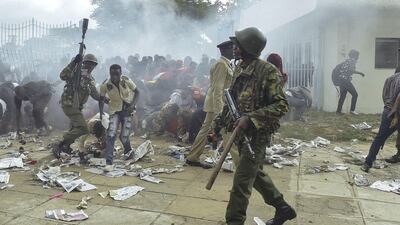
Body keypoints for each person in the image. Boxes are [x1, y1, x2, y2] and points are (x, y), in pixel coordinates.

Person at [213, 27, 296, 225]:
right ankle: (283, 209)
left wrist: (251, 118)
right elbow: (231, 103)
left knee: (241, 182)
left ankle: (234, 221)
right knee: (254, 174)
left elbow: (281, 105)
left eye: (238, 45)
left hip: (257, 136)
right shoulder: (240, 69)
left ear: (247, 48)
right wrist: (216, 126)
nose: (234, 48)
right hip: (241, 135)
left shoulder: (268, 72)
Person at [186, 40, 234, 168]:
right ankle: (240, 162)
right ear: (224, 50)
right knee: (227, 132)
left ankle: (193, 157)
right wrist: (220, 109)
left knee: (207, 130)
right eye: (232, 48)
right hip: (217, 104)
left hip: (218, 103)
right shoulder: (221, 65)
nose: (234, 50)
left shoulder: (225, 64)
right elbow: (218, 88)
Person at [52, 53, 100, 159]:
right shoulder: (75, 72)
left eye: (92, 64)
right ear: (83, 63)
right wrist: (74, 62)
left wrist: (104, 98)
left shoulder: (90, 79)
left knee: (74, 128)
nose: (90, 66)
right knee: (83, 128)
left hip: (78, 107)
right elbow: (62, 76)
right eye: (88, 63)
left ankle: (65, 146)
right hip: (69, 104)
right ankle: (59, 142)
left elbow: (94, 94)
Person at [99, 64, 139, 172]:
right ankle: (109, 163)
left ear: (120, 73)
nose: (115, 76)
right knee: (111, 135)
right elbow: (101, 98)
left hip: (127, 111)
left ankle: (128, 151)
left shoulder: (126, 80)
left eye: (117, 73)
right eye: (112, 74)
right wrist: (101, 113)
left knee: (124, 137)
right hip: (114, 111)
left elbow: (137, 92)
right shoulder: (105, 84)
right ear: (110, 73)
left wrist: (132, 105)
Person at [361, 67, 400, 172]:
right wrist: (396, 116)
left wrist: (388, 109)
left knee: (379, 138)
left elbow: (384, 95)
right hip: (397, 113)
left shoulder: (389, 79)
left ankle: (367, 163)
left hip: (387, 111)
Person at [335, 49, 365, 115]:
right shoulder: (352, 61)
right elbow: (351, 70)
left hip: (341, 80)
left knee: (343, 96)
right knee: (355, 94)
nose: (358, 57)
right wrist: (360, 73)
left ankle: (338, 111)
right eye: (357, 56)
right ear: (354, 55)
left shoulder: (347, 61)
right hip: (345, 80)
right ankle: (352, 110)